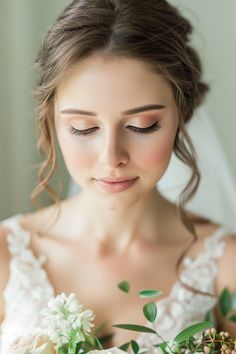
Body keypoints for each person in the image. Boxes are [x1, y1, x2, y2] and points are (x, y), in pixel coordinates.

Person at [0, 0, 236, 353]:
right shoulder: (6, 255)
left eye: (142, 126)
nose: (112, 158)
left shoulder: (225, 268)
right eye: (83, 128)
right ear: (51, 123)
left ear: (181, 116)